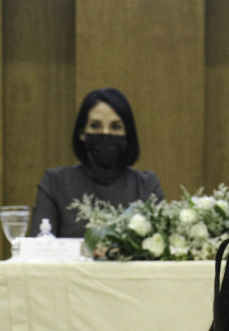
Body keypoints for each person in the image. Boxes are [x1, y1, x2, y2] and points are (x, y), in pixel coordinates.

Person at [30, 88, 163, 238]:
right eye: (95, 126)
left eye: (115, 127)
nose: (105, 133)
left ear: (127, 135)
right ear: (82, 133)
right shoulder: (55, 183)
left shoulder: (146, 186)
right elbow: (38, 245)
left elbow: (160, 244)